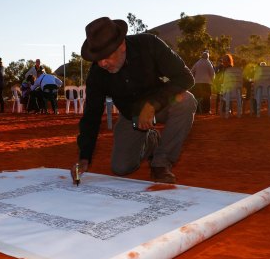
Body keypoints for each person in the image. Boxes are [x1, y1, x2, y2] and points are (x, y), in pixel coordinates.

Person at [70, 17, 196, 184]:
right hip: (131, 116)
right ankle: (151, 140)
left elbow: (186, 78)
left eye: (106, 56)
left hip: (161, 104)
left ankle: (161, 162)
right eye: (97, 58)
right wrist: (84, 157)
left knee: (186, 101)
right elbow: (91, 115)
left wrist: (153, 104)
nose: (102, 63)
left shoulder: (149, 45)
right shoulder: (97, 74)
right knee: (121, 167)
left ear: (121, 45)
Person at [190, 50, 215, 114]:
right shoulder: (208, 63)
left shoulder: (197, 63)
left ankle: (197, 111)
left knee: (197, 97)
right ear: (208, 57)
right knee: (207, 97)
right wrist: (212, 81)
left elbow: (191, 71)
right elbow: (212, 73)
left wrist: (194, 79)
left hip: (197, 83)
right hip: (206, 83)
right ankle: (206, 111)